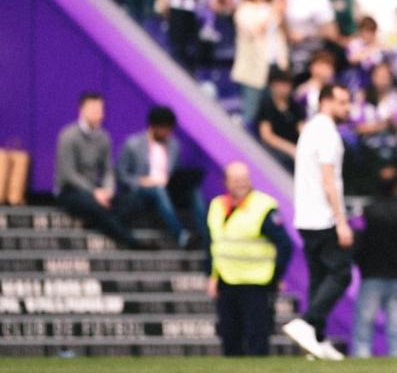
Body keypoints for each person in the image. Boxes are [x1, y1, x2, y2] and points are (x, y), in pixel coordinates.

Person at [282, 84, 353, 361]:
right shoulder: (327, 134)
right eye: (342, 102)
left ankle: (316, 341)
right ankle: (307, 322)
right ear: (325, 102)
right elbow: (329, 181)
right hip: (323, 217)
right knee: (341, 274)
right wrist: (342, 221)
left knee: (319, 277)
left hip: (306, 216)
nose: (347, 109)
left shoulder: (310, 129)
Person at [207, 161, 293, 356]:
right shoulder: (217, 205)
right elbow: (214, 245)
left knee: (257, 337)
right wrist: (213, 276)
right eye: (236, 179)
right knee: (229, 337)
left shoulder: (264, 206)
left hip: (256, 282)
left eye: (244, 179)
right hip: (226, 279)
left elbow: (285, 244)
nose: (241, 184)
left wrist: (275, 276)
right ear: (226, 182)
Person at [54, 93, 140, 249]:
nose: (98, 114)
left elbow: (108, 169)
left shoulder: (104, 137)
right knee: (95, 205)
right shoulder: (68, 135)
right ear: (81, 111)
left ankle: (94, 222)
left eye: (100, 109)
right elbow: (68, 173)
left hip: (96, 191)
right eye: (93, 109)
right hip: (70, 190)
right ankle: (131, 241)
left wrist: (108, 190)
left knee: (132, 201)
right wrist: (94, 192)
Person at [353, 165, 397, 358]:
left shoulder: (367, 212)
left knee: (363, 330)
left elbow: (356, 246)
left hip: (371, 276)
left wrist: (363, 266)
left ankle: (360, 366)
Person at [117, 106, 204, 249]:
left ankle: (204, 234)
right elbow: (121, 174)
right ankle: (181, 235)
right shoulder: (133, 144)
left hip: (168, 188)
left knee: (195, 192)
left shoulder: (174, 145)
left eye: (170, 129)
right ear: (153, 126)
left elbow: (174, 171)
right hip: (143, 190)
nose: (168, 133)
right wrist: (140, 181)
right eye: (165, 129)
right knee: (157, 190)